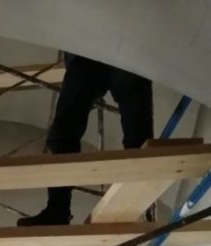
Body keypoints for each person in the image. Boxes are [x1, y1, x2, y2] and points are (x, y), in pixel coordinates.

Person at [17, 52, 153, 227]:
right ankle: (57, 210)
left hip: (106, 52)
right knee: (64, 133)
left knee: (137, 133)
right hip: (99, 54)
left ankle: (59, 210)